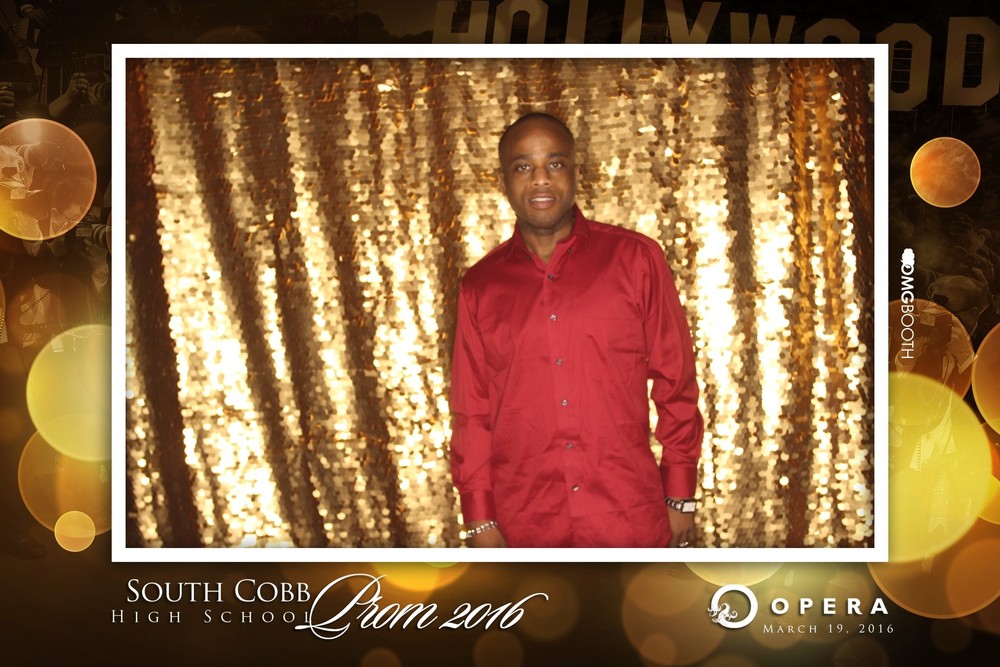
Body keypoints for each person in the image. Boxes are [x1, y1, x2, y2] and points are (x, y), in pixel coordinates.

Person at [449, 112, 704, 548]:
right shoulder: (480, 286)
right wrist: (478, 516)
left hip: (628, 517)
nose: (541, 179)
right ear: (504, 180)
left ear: (575, 172)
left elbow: (676, 380)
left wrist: (680, 492)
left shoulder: (636, 260)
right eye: (523, 166)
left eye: (555, 163)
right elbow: (472, 412)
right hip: (524, 527)